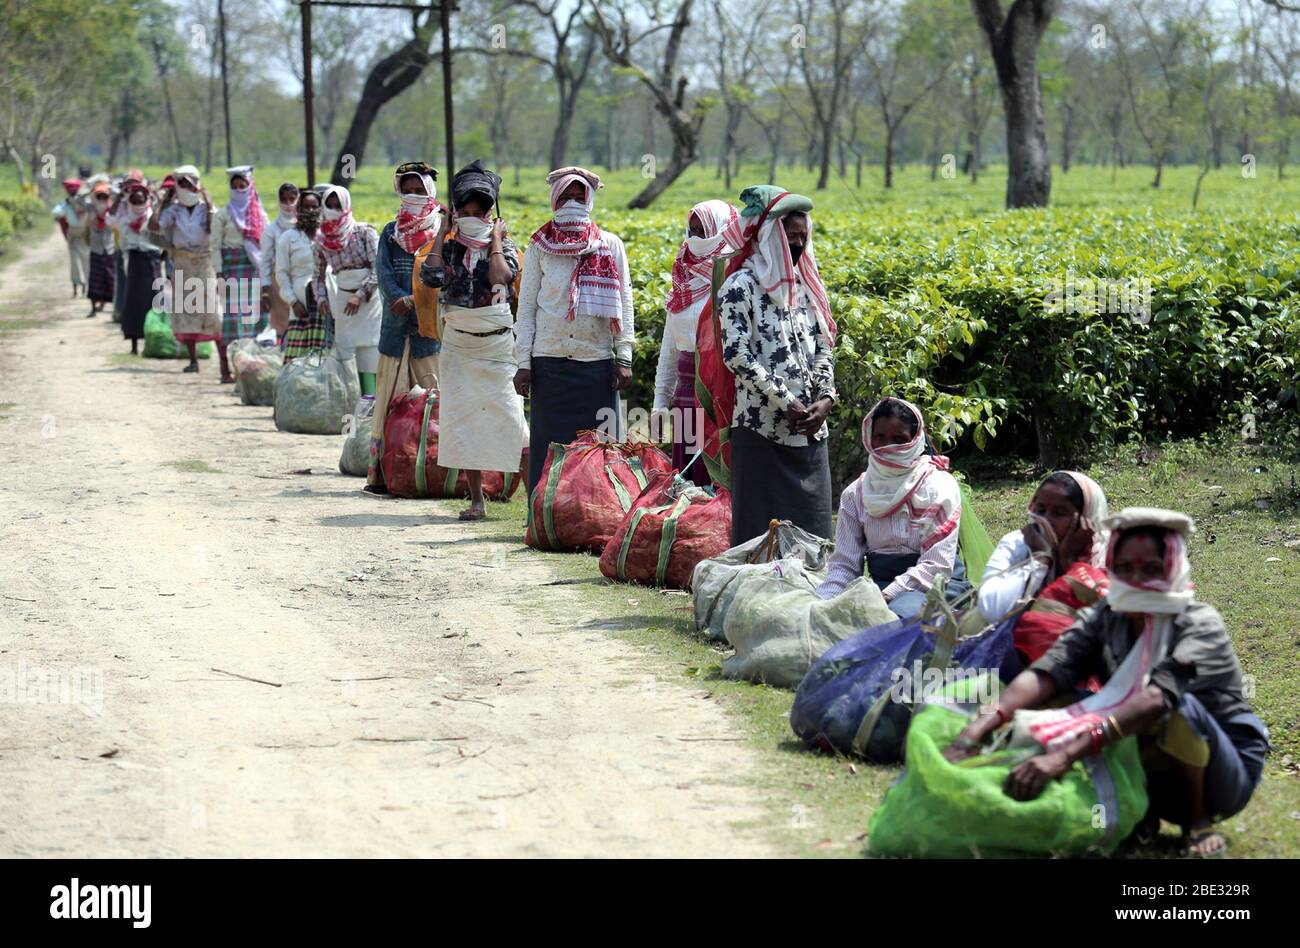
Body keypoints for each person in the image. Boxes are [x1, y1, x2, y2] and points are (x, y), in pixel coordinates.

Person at [944, 508, 1270, 858]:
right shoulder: (1105, 617)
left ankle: (1197, 821)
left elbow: (1158, 699)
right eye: (1125, 569)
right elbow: (1049, 672)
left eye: (1151, 570)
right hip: (1152, 760)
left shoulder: (1200, 624)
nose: (1136, 580)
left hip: (1223, 772)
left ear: (1172, 569)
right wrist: (981, 725)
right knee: (1060, 703)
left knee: (1174, 707)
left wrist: (1065, 755)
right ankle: (1137, 814)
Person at [702, 184, 837, 544]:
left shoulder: (806, 285)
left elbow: (823, 343)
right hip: (762, 430)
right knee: (760, 536)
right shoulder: (739, 287)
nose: (797, 245)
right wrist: (787, 403)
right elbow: (737, 356)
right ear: (770, 236)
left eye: (802, 238)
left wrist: (825, 399)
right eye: (790, 237)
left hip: (811, 429)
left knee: (813, 534)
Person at [513, 167, 634, 496]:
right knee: (548, 451)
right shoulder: (539, 246)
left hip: (595, 364)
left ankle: (592, 519)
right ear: (554, 201)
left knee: (596, 453)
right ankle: (544, 518)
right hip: (548, 363)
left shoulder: (609, 245)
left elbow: (623, 304)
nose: (572, 203)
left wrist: (624, 357)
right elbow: (526, 309)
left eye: (579, 197)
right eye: (565, 197)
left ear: (590, 200)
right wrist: (523, 361)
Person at [419, 160, 526, 521]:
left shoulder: (505, 247)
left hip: (496, 343)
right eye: (464, 210)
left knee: (510, 417)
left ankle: (531, 495)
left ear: (490, 214)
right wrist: (441, 233)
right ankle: (477, 498)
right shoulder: (448, 250)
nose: (470, 216)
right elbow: (431, 276)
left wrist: (495, 239)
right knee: (464, 420)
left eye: (478, 211)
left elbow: (501, 279)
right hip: (459, 345)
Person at [816, 398, 967, 618]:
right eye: (880, 438)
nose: (888, 448)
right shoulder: (855, 495)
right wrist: (822, 603)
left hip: (938, 587)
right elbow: (845, 567)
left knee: (894, 621)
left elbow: (936, 565)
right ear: (869, 438)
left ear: (915, 440)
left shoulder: (938, 486)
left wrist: (884, 599)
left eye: (899, 439)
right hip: (883, 592)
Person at [979, 471, 1110, 667]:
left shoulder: (1108, 555)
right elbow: (991, 608)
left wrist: (1067, 563)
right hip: (1013, 652)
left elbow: (1108, 622)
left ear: (1085, 519)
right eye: (1040, 510)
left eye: (1058, 513)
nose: (1044, 520)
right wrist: (1041, 560)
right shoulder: (1018, 543)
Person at [368, 161, 444, 494]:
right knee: (390, 401)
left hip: (430, 331)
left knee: (433, 400)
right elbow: (383, 274)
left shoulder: (442, 230)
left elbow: (442, 276)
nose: (413, 196)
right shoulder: (389, 232)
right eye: (407, 190)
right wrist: (399, 298)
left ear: (430, 192)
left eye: (419, 190)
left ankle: (428, 472)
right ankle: (384, 474)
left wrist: (415, 300)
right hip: (395, 329)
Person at [653, 200, 738, 487]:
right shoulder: (683, 279)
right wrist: (659, 404)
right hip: (686, 396)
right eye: (693, 230)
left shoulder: (732, 277)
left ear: (722, 229)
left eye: (705, 230)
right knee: (685, 482)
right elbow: (670, 350)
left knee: (715, 477)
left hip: (719, 396)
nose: (697, 238)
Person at [149, 165, 222, 373]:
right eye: (180, 185)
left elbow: (211, 230)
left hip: (204, 262)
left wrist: (208, 204)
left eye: (188, 185)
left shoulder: (207, 208)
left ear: (196, 186)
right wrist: (163, 202)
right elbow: (155, 227)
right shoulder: (174, 210)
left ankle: (221, 359)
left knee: (210, 309)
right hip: (182, 262)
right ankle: (193, 360)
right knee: (185, 311)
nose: (184, 189)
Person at [315, 184, 380, 395]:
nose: (334, 209)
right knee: (345, 348)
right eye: (330, 205)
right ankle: (351, 398)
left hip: (369, 299)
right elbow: (317, 273)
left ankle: (372, 401)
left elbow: (378, 268)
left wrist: (360, 295)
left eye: (338, 205)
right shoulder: (322, 240)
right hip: (342, 296)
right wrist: (321, 299)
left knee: (370, 348)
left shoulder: (364, 232)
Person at [210, 165, 270, 382]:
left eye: (242, 186)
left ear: (249, 186)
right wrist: (218, 275)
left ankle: (251, 371)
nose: (238, 189)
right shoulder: (223, 215)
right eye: (234, 186)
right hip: (231, 271)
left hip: (254, 271)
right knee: (232, 322)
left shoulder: (260, 214)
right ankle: (225, 370)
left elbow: (266, 245)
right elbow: (214, 246)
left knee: (255, 322)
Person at [110, 179, 162, 355]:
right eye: (135, 200)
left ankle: (152, 341)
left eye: (141, 200)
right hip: (135, 260)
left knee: (154, 300)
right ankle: (133, 344)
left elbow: (160, 238)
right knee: (133, 302)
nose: (138, 203)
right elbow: (123, 243)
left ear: (147, 199)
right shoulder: (125, 220)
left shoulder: (152, 217)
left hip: (152, 259)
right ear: (130, 202)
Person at [277, 188, 325, 361]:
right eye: (306, 207)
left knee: (324, 356)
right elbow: (281, 274)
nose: (310, 211)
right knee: (297, 358)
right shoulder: (288, 238)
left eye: (314, 207)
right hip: (300, 306)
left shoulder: (327, 236)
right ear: (299, 209)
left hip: (325, 306)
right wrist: (293, 301)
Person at [259, 182, 299, 342]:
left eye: (292, 199)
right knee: (281, 323)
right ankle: (283, 359)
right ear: (279, 201)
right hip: (278, 282)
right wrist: (266, 289)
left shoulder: (304, 226)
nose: (289, 204)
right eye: (284, 200)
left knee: (301, 321)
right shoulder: (272, 229)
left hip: (301, 277)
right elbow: (265, 260)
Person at [52, 178, 90, 297]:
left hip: (84, 234)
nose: (73, 193)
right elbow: (57, 213)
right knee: (75, 261)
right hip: (73, 234)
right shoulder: (66, 203)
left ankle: (87, 286)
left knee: (85, 260)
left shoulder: (85, 201)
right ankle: (77, 285)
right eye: (71, 191)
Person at [85, 180, 116, 318]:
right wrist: (91, 191)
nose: (102, 199)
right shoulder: (91, 209)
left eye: (105, 196)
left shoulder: (112, 210)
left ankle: (111, 307)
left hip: (109, 249)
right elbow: (80, 199)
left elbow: (121, 197)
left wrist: (111, 190)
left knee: (110, 279)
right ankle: (93, 308)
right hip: (96, 249)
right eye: (99, 196)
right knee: (94, 279)